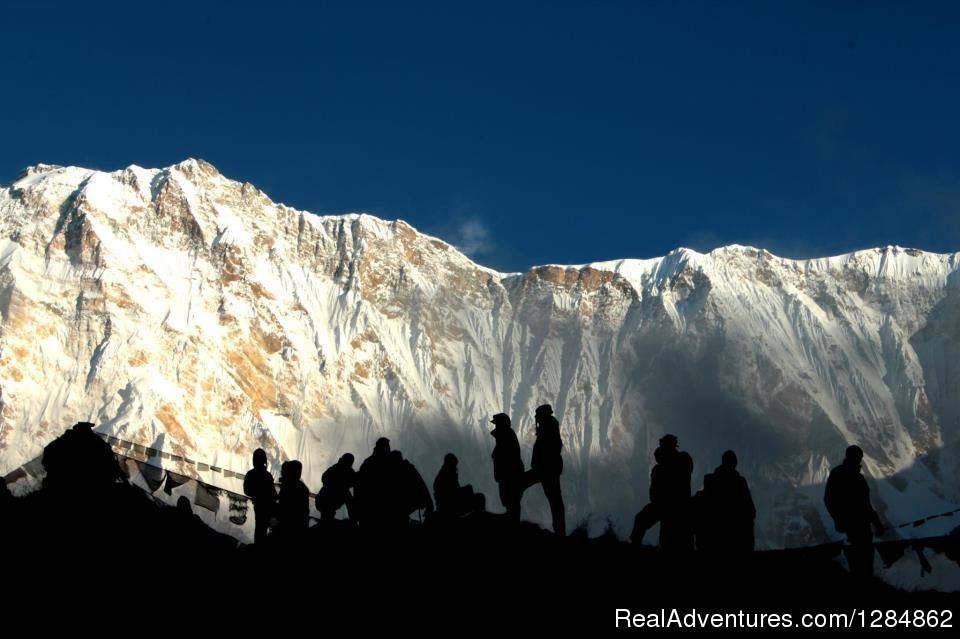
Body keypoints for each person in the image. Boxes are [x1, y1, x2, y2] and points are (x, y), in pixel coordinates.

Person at [824, 445, 886, 578]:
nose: (860, 460)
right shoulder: (858, 479)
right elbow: (866, 506)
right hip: (859, 526)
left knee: (857, 562)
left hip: (851, 526)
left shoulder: (838, 474)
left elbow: (829, 500)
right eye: (859, 458)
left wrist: (838, 519)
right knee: (865, 561)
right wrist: (878, 524)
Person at [699, 450, 756, 553]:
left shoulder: (711, 481)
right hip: (737, 539)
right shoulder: (740, 482)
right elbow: (750, 511)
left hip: (714, 539)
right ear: (735, 463)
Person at [525, 404, 566, 536]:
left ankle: (560, 531)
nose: (536, 419)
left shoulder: (548, 428)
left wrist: (539, 466)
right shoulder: (549, 426)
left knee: (555, 501)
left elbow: (547, 450)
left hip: (546, 470)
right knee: (555, 501)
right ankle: (560, 530)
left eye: (538, 416)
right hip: (546, 469)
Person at [490, 413, 525, 522]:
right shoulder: (506, 436)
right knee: (511, 503)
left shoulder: (505, 437)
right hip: (508, 476)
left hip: (508, 477)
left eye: (497, 424)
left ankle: (513, 524)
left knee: (511, 502)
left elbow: (505, 458)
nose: (495, 427)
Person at [433, 453, 485, 519]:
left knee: (478, 497)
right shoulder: (445, 476)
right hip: (450, 508)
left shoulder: (446, 475)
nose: (456, 468)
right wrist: (466, 490)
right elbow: (451, 495)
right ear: (450, 464)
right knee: (480, 498)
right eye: (454, 465)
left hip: (450, 506)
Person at [355, 438, 393, 528]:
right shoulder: (385, 462)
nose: (389, 448)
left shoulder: (368, 462)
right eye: (387, 446)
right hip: (374, 509)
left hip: (369, 510)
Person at [389, 450, 434, 526]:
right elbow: (422, 486)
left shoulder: (402, 470)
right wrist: (429, 504)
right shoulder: (409, 469)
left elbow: (421, 486)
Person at [243, 448, 277, 543]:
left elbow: (246, 490)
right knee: (264, 529)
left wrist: (256, 494)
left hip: (260, 506)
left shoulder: (251, 474)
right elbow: (273, 492)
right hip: (267, 506)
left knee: (260, 529)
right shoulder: (267, 475)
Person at [316, 453, 357, 521]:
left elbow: (324, 478)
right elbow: (353, 482)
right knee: (347, 495)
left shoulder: (334, 468)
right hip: (325, 501)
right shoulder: (347, 471)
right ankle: (353, 520)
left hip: (322, 500)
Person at [275, 460, 310, 536]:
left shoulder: (289, 486)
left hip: (289, 525)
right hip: (298, 525)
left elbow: (286, 507)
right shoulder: (301, 488)